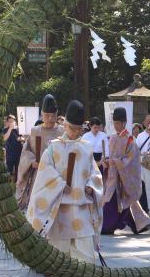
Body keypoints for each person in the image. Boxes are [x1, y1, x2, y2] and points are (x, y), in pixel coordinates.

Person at [26, 100, 104, 264]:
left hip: (82, 206)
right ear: (65, 125)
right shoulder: (53, 148)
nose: (76, 132)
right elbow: (44, 172)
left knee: (86, 255)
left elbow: (94, 172)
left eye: (79, 129)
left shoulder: (87, 147)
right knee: (59, 254)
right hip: (60, 207)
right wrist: (59, 184)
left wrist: (91, 185)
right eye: (72, 128)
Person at [101, 107, 150, 235]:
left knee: (125, 201)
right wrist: (107, 162)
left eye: (119, 123)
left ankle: (110, 226)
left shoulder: (130, 140)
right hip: (113, 176)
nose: (117, 126)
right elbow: (111, 157)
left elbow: (131, 160)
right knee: (114, 201)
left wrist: (116, 162)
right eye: (115, 123)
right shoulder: (112, 138)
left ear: (124, 123)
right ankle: (139, 224)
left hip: (124, 177)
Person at [16, 94, 64, 210]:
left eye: (53, 116)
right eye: (47, 116)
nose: (50, 119)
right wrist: (32, 161)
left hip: (57, 174)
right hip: (39, 172)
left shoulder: (62, 131)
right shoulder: (35, 131)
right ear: (42, 114)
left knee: (55, 206)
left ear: (57, 115)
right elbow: (26, 150)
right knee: (37, 205)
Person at [3, 114, 22, 180]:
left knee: (18, 170)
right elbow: (4, 138)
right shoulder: (5, 130)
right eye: (10, 121)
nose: (12, 123)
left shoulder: (19, 129)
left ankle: (17, 183)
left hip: (19, 152)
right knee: (9, 170)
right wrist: (10, 129)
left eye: (13, 121)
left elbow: (23, 137)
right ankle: (9, 184)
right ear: (7, 122)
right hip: (10, 153)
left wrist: (21, 139)